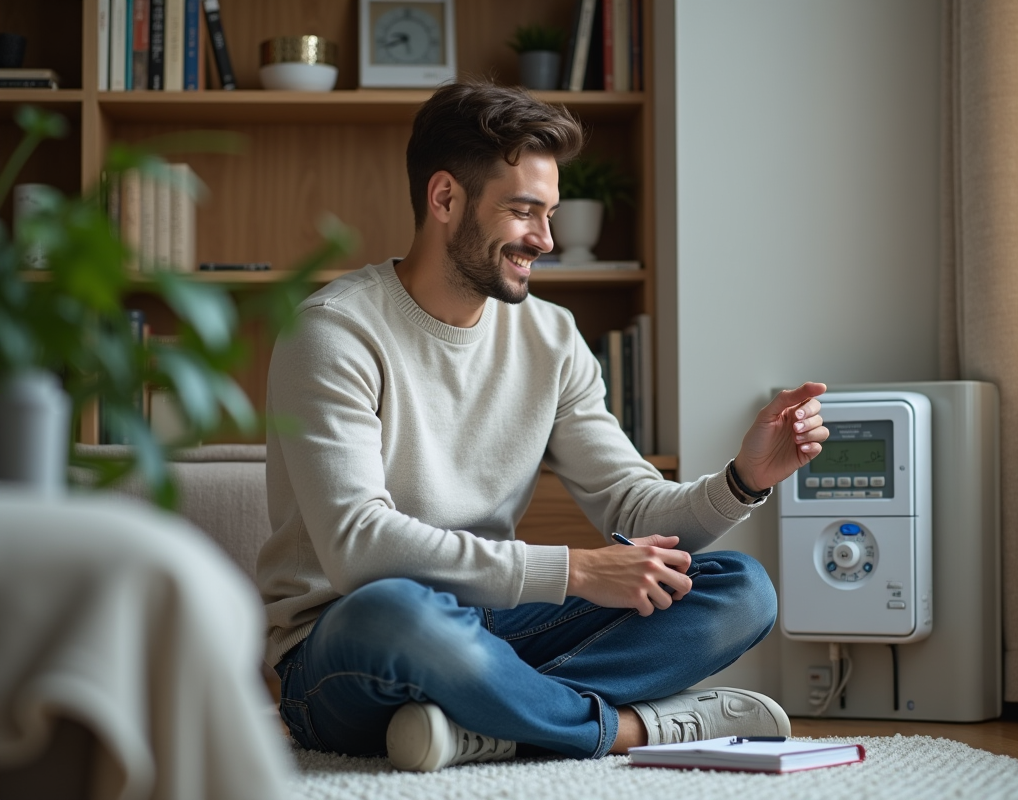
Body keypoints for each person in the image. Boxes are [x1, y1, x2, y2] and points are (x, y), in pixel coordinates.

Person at [257, 80, 829, 772]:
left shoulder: (553, 339)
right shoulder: (336, 332)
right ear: (445, 199)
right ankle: (624, 731)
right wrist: (575, 570)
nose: (547, 240)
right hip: (347, 644)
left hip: (495, 630)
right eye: (525, 212)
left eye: (549, 213)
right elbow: (358, 546)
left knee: (738, 589)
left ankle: (486, 723)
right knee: (401, 612)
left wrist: (743, 481)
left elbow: (635, 506)